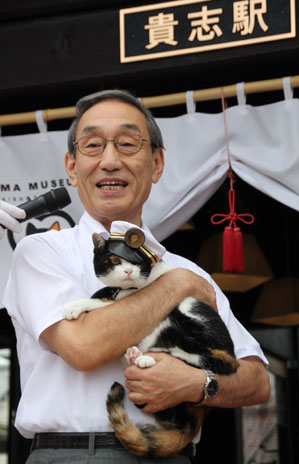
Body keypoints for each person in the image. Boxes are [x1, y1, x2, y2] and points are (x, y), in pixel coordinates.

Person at [3, 89, 270, 464]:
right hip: (70, 454)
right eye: (93, 146)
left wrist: (198, 384)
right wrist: (174, 285)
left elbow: (257, 380)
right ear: (71, 166)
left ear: (157, 163)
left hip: (170, 454)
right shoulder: (42, 252)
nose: (110, 161)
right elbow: (83, 348)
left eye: (128, 144)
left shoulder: (188, 270)